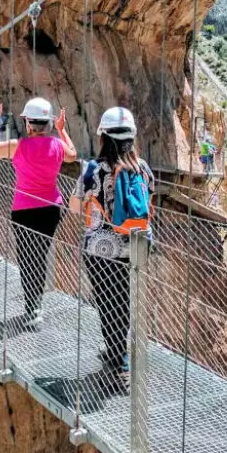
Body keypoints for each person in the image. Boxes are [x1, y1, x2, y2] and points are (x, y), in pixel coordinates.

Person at [70, 107, 154, 380]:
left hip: (101, 247)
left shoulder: (94, 169)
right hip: (137, 245)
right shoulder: (143, 168)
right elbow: (148, 200)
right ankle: (121, 351)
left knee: (106, 301)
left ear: (103, 137)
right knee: (125, 300)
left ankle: (118, 357)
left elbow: (73, 206)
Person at [0, 97, 78, 328]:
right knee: (40, 253)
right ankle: (36, 304)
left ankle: (33, 307)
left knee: (27, 258)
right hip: (52, 208)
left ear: (28, 125)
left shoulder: (19, 145)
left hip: (24, 209)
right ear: (48, 124)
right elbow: (72, 155)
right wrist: (62, 131)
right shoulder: (57, 145)